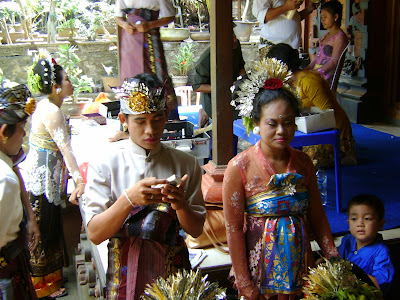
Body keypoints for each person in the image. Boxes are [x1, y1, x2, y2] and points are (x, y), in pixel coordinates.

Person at [224, 58, 339, 300]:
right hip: (259, 271)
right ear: (256, 122)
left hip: (301, 264)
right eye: (272, 123)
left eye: (288, 123)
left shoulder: (304, 163)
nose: (281, 131)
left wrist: (333, 259)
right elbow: (233, 228)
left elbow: (317, 216)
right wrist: (245, 283)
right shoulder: (239, 167)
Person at [83, 73, 206, 299]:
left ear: (166, 115)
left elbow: (196, 230)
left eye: (157, 119)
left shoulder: (186, 163)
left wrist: (180, 205)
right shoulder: (105, 163)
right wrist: (128, 199)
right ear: (124, 119)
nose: (150, 130)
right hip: (124, 274)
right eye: (140, 121)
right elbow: (95, 233)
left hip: (173, 278)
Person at [23, 51, 86, 299]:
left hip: (48, 176)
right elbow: (65, 147)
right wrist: (79, 179)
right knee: (43, 229)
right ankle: (43, 286)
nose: (71, 83)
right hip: (41, 179)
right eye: (67, 79)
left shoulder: (50, 106)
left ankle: (50, 279)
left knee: (48, 225)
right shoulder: (51, 110)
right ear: (56, 87)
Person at [266, 43, 357, 167]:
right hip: (306, 128)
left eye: (272, 66)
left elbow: (330, 113)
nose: (269, 71)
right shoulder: (284, 82)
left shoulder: (309, 81)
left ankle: (344, 154)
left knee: (302, 161)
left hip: (330, 129)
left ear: (283, 66)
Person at [111, 0, 179, 142]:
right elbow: (118, 16)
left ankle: (171, 124)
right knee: (129, 82)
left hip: (150, 37)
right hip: (130, 39)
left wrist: (150, 25)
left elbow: (171, 16)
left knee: (158, 80)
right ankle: (124, 129)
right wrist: (124, 24)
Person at [0, 85, 38, 299]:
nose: (24, 135)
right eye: (22, 128)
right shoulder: (4, 180)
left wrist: (30, 217)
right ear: (4, 131)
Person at [338, 194, 394, 297]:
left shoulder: (381, 252)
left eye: (367, 218)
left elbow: (379, 286)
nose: (360, 223)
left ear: (380, 224)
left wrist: (353, 279)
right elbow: (335, 260)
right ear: (348, 223)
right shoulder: (347, 241)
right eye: (354, 219)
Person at [192, 29, 246, 128]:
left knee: (234, 128)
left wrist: (243, 81)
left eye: (234, 38)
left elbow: (241, 67)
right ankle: (205, 112)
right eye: (231, 40)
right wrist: (223, 88)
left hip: (231, 97)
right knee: (220, 133)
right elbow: (197, 86)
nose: (234, 41)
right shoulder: (207, 59)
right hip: (214, 100)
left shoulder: (235, 45)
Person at [252, 0, 318, 59]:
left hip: (292, 49)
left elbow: (292, 19)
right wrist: (286, 7)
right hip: (273, 48)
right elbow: (264, 16)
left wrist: (308, 10)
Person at [306, 0, 348, 84]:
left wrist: (316, 73)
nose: (322, 20)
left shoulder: (340, 37)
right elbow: (317, 58)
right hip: (317, 73)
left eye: (325, 17)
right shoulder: (326, 35)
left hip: (326, 75)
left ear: (335, 17)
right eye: (321, 17)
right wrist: (307, 69)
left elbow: (333, 62)